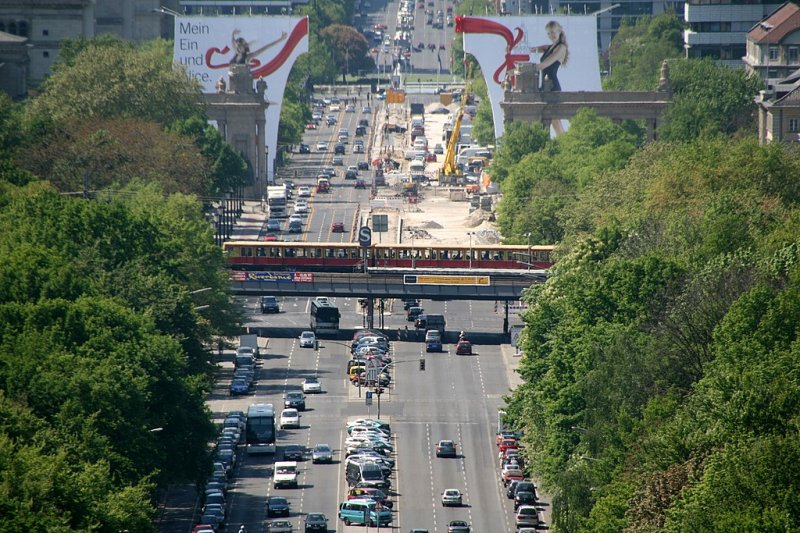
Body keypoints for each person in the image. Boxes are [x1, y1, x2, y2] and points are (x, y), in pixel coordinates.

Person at [530, 20, 569, 135]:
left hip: (552, 87)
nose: (551, 35)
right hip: (545, 87)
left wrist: (524, 69)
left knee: (555, 121)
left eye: (552, 32)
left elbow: (543, 65)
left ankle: (566, 144)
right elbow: (532, 49)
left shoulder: (561, 48)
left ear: (559, 31)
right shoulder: (550, 47)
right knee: (553, 121)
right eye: (548, 33)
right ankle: (565, 144)